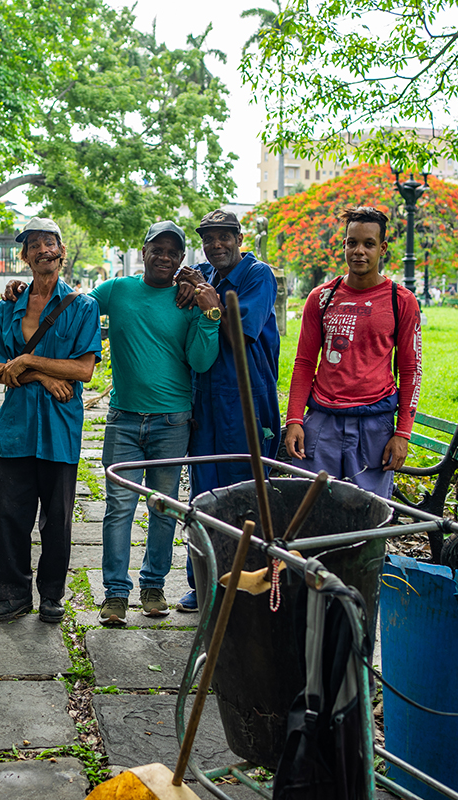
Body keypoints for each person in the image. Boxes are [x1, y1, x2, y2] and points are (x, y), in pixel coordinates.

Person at [1, 221, 222, 625]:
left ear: (181, 259)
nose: (164, 257)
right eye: (157, 249)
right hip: (123, 419)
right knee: (118, 509)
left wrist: (209, 316)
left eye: (174, 252)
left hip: (173, 420)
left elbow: (201, 361)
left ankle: (153, 587)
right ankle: (116, 594)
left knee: (163, 509)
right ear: (143, 252)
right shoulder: (117, 290)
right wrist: (23, 287)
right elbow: (70, 305)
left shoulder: (187, 300)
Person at [0, 217, 101, 623]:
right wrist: (42, 375)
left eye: (49, 242)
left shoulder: (84, 306)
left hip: (59, 429)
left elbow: (85, 371)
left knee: (58, 521)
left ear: (61, 251)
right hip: (14, 429)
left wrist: (30, 360)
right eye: (33, 244)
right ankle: (12, 594)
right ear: (24, 256)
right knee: (9, 516)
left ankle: (52, 595)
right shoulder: (8, 307)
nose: (42, 249)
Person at [171, 208, 282, 612]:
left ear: (239, 238)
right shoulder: (205, 272)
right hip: (205, 401)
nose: (216, 245)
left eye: (224, 237)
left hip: (245, 399)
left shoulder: (258, 276)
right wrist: (189, 283)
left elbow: (238, 329)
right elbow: (182, 279)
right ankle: (202, 584)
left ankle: (247, 583)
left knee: (246, 494)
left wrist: (208, 299)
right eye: (208, 238)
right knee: (203, 494)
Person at [284, 206, 422, 499]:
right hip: (322, 422)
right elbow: (305, 363)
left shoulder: (402, 301)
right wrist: (294, 420)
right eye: (352, 243)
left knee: (367, 517)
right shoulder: (321, 297)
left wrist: (402, 434)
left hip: (375, 425)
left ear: (382, 248)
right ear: (344, 245)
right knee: (311, 510)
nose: (359, 251)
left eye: (369, 244)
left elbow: (411, 370)